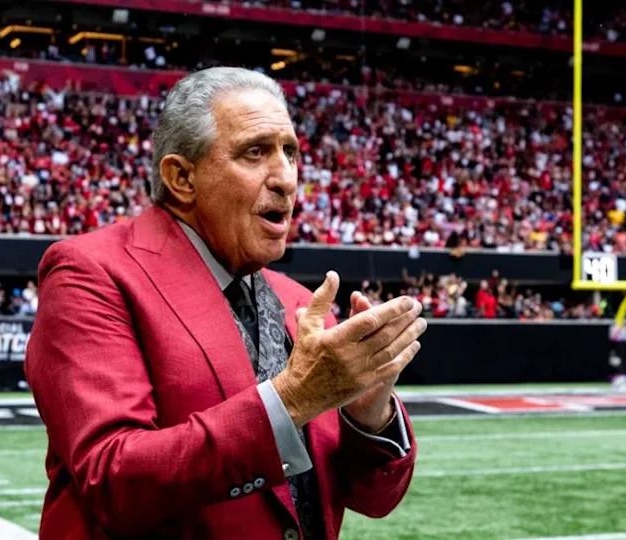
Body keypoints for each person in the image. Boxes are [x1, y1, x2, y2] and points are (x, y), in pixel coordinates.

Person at [25, 67, 425, 540]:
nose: (285, 178)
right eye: (255, 152)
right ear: (181, 177)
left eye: (290, 152)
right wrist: (294, 399)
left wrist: (367, 413)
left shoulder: (301, 302)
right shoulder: (92, 272)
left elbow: (372, 499)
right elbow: (112, 479)